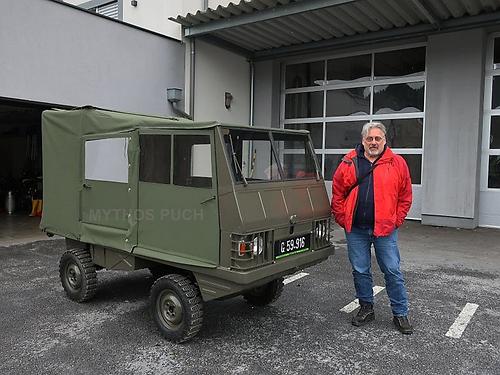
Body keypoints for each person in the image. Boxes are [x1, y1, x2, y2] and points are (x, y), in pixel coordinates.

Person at [331, 122, 413, 334]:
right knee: (360, 270)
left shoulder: (397, 163)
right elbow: (338, 192)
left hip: (385, 229)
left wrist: (397, 220)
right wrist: (343, 218)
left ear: (385, 141)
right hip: (356, 229)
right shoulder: (349, 161)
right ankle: (366, 308)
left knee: (392, 271)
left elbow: (405, 195)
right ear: (363, 141)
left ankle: (400, 313)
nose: (374, 142)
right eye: (370, 139)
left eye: (378, 138)